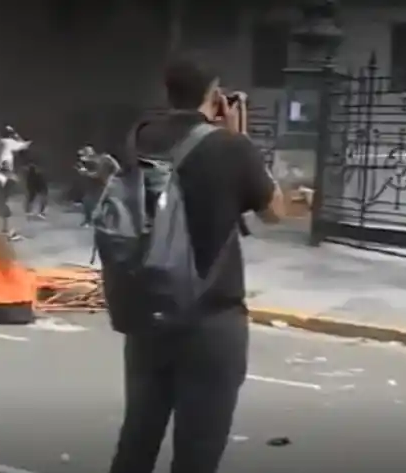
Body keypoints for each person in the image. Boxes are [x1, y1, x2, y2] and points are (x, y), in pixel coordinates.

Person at [108, 54, 285, 473]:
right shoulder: (231, 148)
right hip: (210, 320)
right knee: (197, 452)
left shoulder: (140, 137)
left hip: (148, 313)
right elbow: (274, 212)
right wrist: (239, 136)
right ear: (216, 95)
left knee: (137, 439)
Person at [76, 146, 119, 227]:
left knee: (90, 201)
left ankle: (92, 221)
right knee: (91, 201)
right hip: (100, 184)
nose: (83, 158)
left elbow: (98, 175)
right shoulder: (98, 160)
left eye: (85, 156)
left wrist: (86, 173)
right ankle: (96, 221)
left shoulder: (104, 159)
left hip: (104, 185)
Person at [22, 149, 48, 219]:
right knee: (34, 197)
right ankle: (34, 211)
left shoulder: (35, 172)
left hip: (37, 185)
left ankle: (32, 211)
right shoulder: (33, 172)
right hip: (36, 185)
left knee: (33, 197)